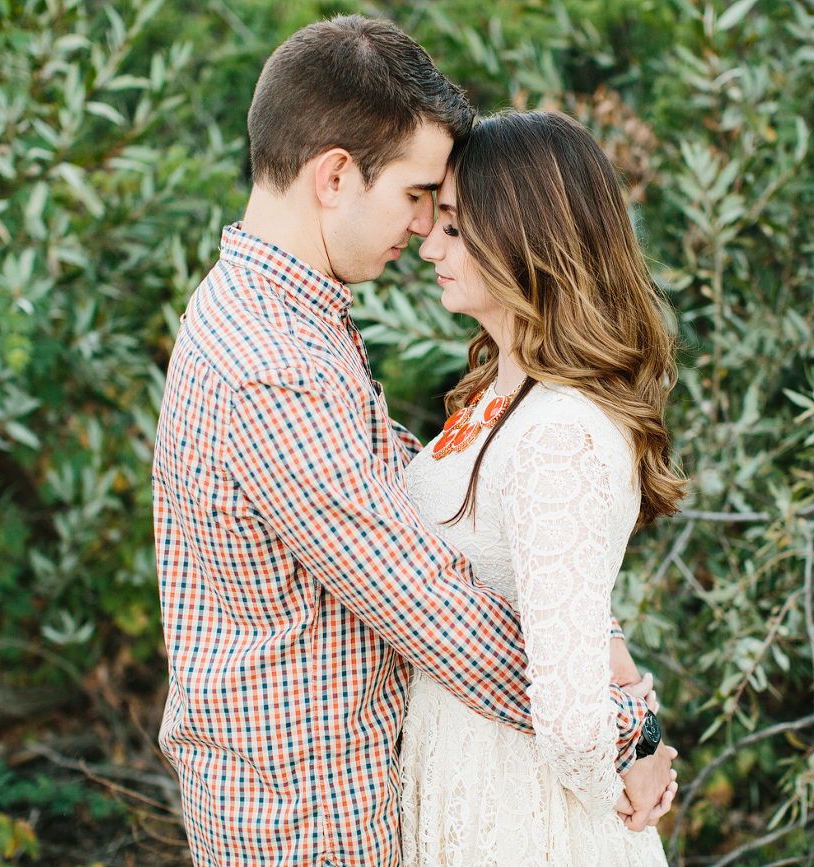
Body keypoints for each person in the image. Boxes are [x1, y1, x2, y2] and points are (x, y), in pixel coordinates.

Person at [150, 16, 675, 867]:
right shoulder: (271, 361)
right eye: (415, 195)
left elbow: (416, 486)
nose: (424, 230)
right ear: (333, 176)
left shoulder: (287, 320)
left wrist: (587, 628)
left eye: (448, 213)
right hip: (307, 815)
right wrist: (631, 729)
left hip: (336, 798)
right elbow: (430, 609)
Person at [398, 109, 686, 867]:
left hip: (526, 820)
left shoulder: (559, 429)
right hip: (474, 780)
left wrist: (630, 761)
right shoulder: (498, 394)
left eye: (455, 228)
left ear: (528, 239)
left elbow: (573, 724)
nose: (428, 245)